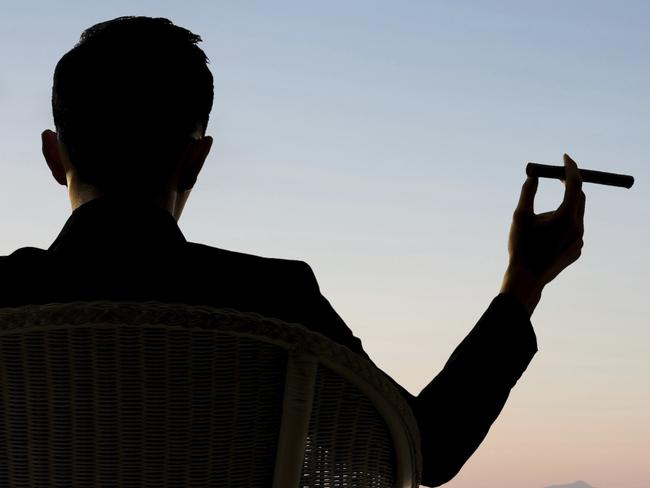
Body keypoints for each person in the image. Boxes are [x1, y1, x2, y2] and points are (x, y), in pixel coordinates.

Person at [1, 16, 585, 487]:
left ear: (55, 156)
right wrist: (522, 285)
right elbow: (428, 448)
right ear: (196, 161)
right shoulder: (273, 299)